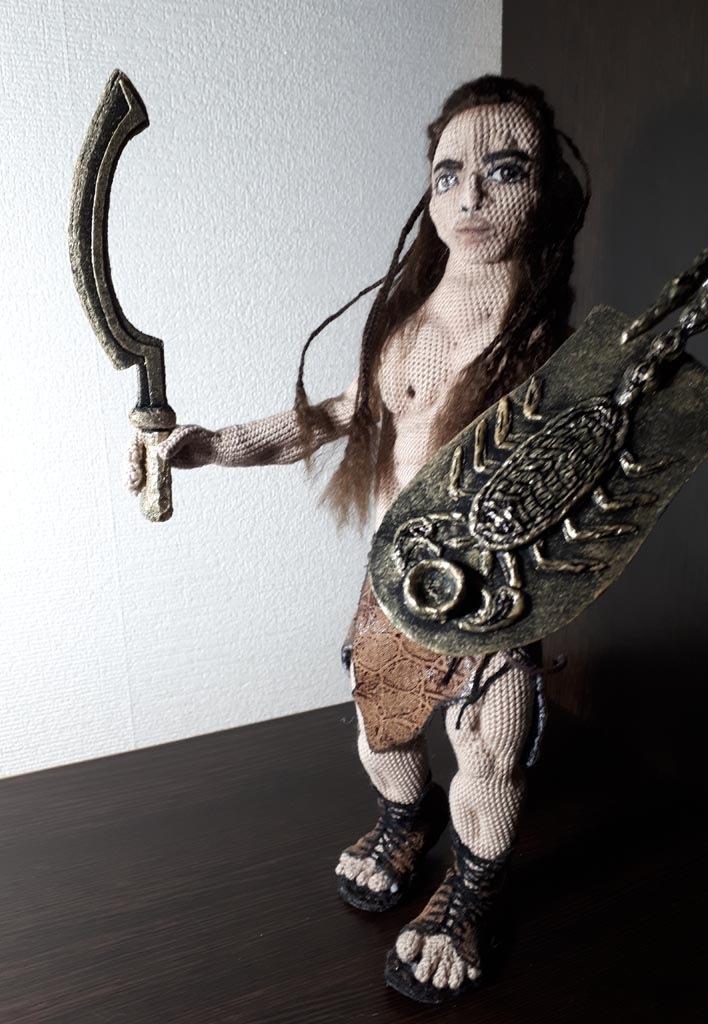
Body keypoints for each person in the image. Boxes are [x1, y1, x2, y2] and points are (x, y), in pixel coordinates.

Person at [130, 75, 589, 1002]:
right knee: (381, 735)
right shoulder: (407, 326)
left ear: (545, 190)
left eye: (505, 171)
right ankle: (406, 820)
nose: (472, 196)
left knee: (490, 751)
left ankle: (473, 893)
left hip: (496, 597)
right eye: (449, 173)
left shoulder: (551, 346)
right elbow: (339, 415)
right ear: (429, 190)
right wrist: (213, 445)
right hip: (394, 586)